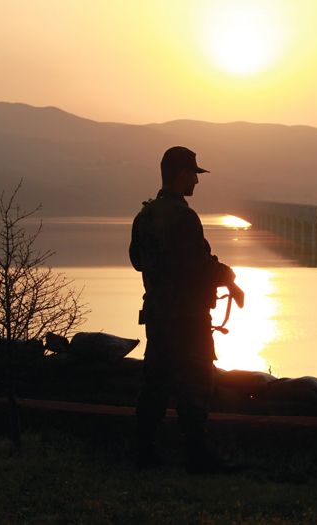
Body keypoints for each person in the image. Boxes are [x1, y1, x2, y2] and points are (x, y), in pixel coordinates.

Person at [129, 146, 244, 474]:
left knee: (155, 384)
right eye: (194, 173)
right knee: (195, 385)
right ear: (180, 174)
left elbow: (137, 261)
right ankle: (197, 455)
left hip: (158, 315)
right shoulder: (183, 216)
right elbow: (199, 265)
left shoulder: (146, 215)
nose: (197, 180)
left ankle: (145, 453)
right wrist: (229, 278)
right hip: (188, 317)